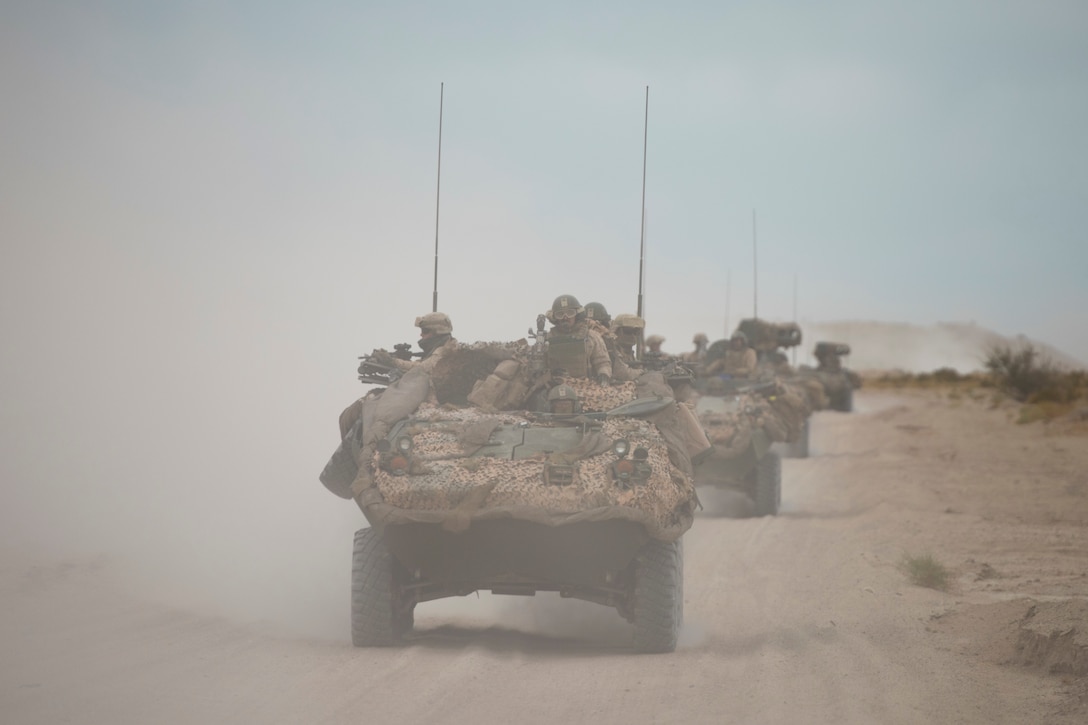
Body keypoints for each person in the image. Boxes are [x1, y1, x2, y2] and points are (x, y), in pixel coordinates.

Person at [544, 294, 612, 383]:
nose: (565, 317)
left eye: (570, 313)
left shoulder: (591, 336)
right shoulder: (548, 339)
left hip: (586, 386)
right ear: (555, 317)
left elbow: (602, 362)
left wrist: (604, 374)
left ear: (577, 314)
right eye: (560, 314)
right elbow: (540, 366)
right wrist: (549, 373)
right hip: (556, 385)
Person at [371, 312, 458, 374]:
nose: (421, 334)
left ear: (438, 332)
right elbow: (423, 363)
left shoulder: (446, 350)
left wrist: (392, 361)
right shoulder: (444, 345)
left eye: (425, 331)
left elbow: (422, 369)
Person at [609, 313, 645, 381]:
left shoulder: (628, 352)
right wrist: (643, 372)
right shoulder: (611, 349)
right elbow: (623, 373)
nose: (632, 335)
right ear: (617, 331)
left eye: (636, 331)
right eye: (628, 331)